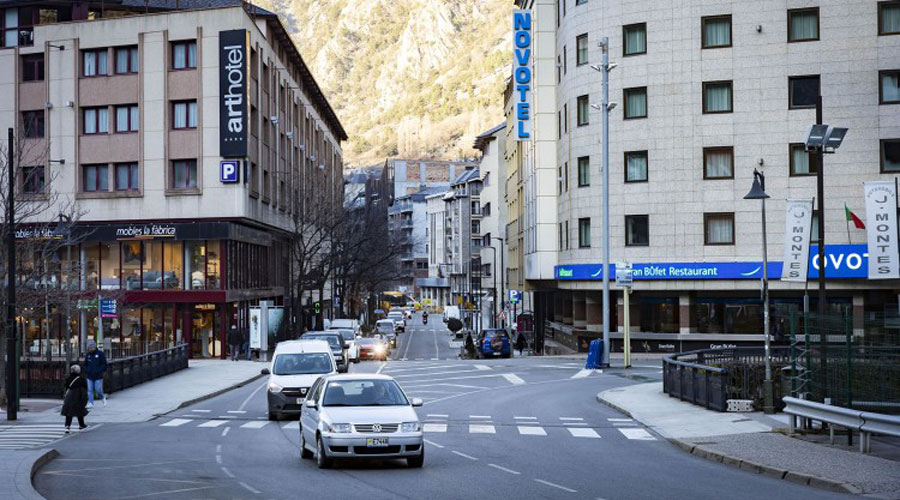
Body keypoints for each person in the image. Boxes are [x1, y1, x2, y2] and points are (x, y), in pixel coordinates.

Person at [61, 364, 88, 433]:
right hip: (77, 397)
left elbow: (66, 388)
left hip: (69, 397)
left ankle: (67, 426)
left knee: (69, 411)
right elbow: (84, 392)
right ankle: (81, 425)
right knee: (79, 409)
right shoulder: (81, 380)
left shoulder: (68, 379)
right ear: (79, 371)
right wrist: (85, 400)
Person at [83, 340, 107, 408]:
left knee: (98, 389)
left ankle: (102, 398)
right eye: (89, 348)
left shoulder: (100, 354)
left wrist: (99, 370)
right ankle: (91, 402)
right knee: (90, 389)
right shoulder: (88, 355)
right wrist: (87, 370)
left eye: (91, 347)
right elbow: (85, 364)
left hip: (98, 375)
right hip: (90, 375)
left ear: (94, 347)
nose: (90, 349)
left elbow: (104, 364)